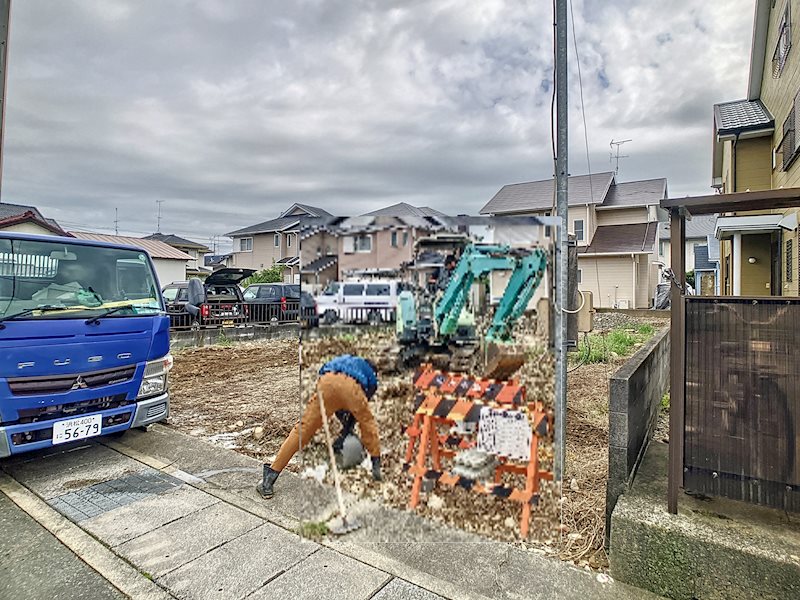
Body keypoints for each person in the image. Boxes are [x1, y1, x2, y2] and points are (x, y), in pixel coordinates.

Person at [257, 354, 382, 499]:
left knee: (303, 429)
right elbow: (364, 412)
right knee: (368, 426)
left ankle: (270, 478)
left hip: (327, 383)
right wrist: (349, 427)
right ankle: (376, 465)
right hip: (353, 391)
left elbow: (322, 372)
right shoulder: (371, 376)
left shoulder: (346, 359)